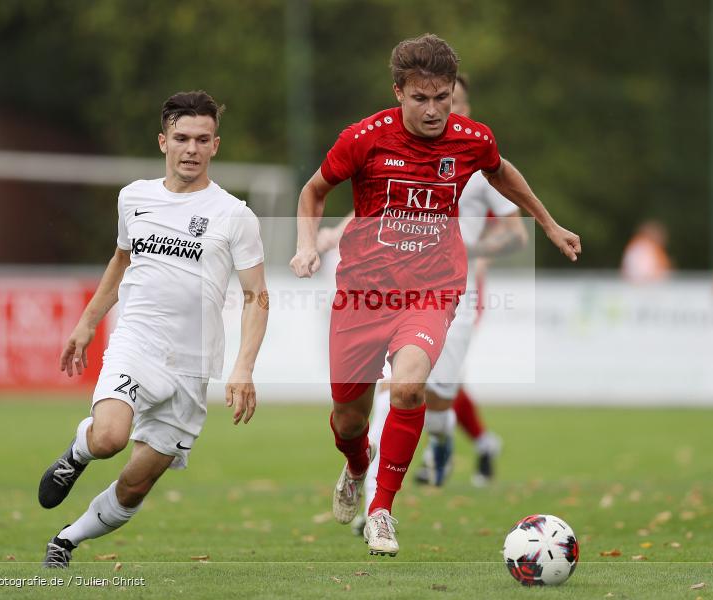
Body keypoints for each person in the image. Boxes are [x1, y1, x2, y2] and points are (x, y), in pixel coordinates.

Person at [290, 34, 580, 557]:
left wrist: (549, 224)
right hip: (363, 293)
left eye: (442, 98)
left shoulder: (472, 139)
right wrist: (307, 246)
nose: (432, 110)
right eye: (420, 98)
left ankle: (382, 510)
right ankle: (357, 464)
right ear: (398, 91)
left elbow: (502, 172)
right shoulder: (363, 138)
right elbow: (313, 190)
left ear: (453, 93)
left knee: (408, 390)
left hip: (433, 288)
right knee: (348, 419)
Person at [37, 91, 269, 567]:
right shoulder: (134, 198)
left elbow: (256, 296)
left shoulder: (234, 215)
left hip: (192, 366)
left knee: (136, 482)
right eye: (181, 138)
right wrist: (86, 324)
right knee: (109, 439)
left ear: (215, 146)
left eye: (202, 140)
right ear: (163, 140)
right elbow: (121, 261)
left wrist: (243, 368)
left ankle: (65, 540)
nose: (191, 149)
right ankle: (78, 453)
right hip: (136, 343)